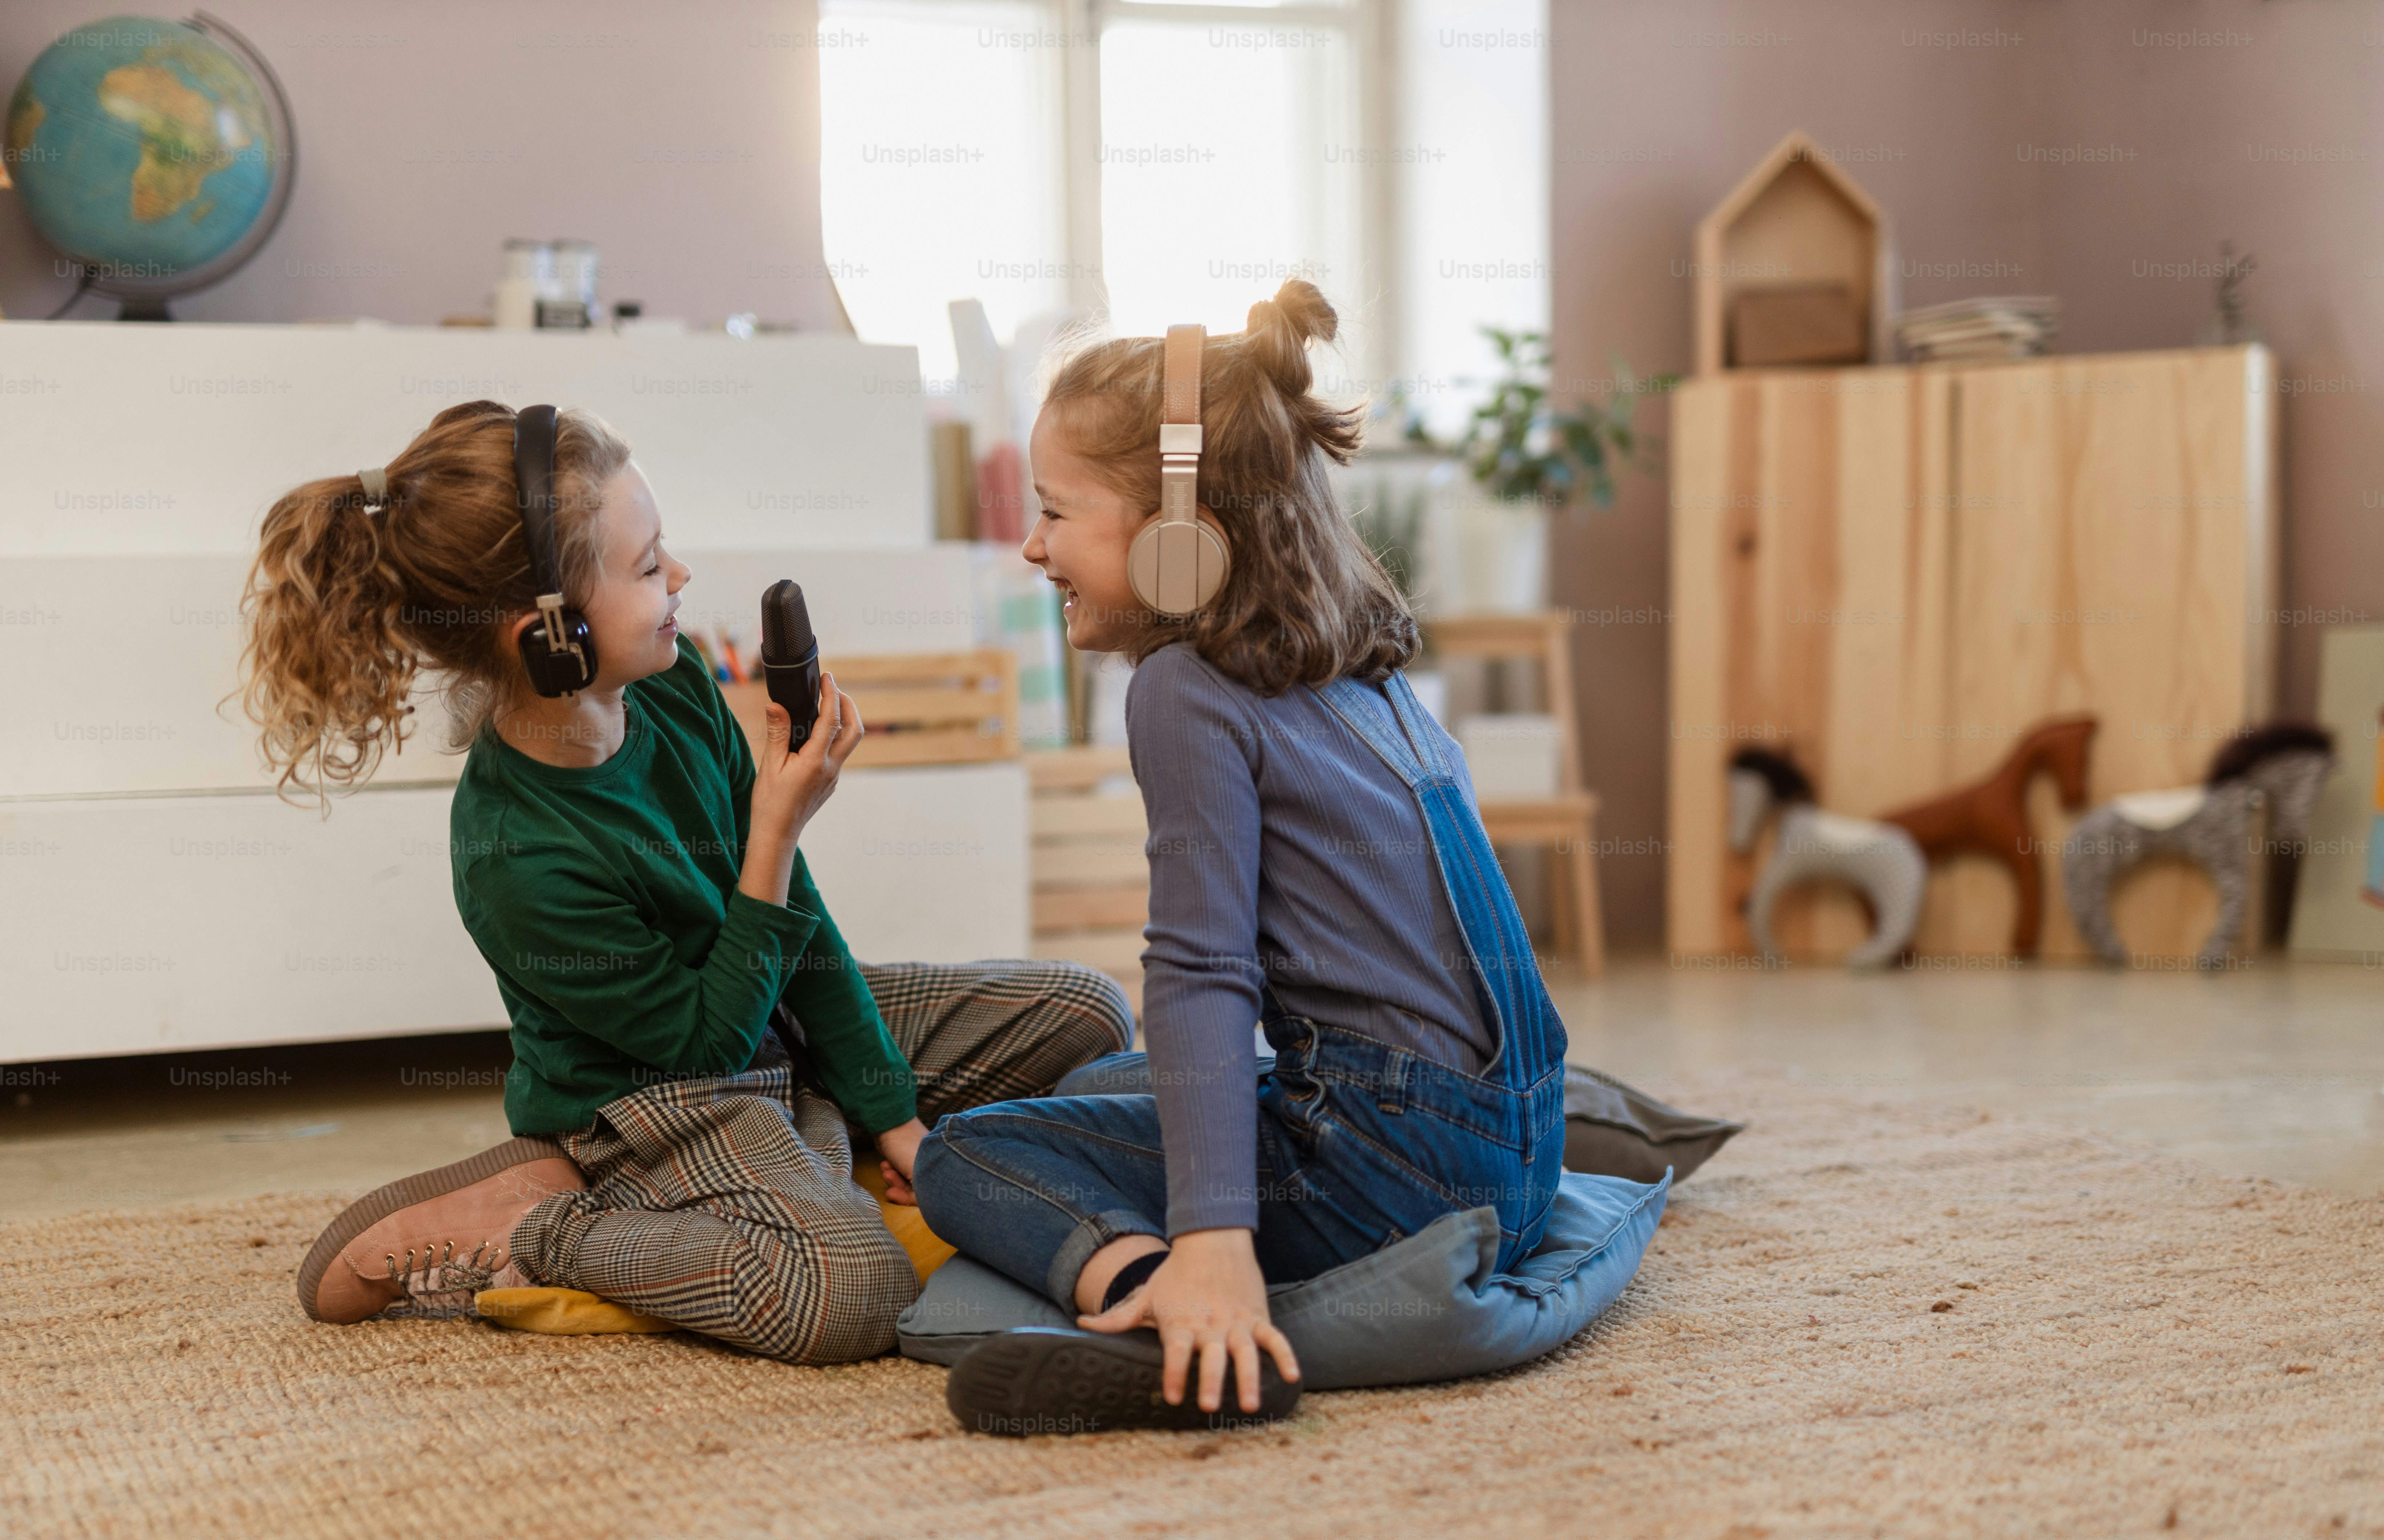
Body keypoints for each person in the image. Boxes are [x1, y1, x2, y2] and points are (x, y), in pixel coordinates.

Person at [242, 400, 1131, 1363]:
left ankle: (820, 1140)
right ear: (545, 634)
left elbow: (806, 928)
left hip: (765, 1014)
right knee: (849, 1289)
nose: (682, 576)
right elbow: (708, 1045)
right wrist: (776, 831)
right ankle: (543, 1224)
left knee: (1085, 1010)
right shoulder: (516, 855)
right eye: (646, 564)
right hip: (655, 1100)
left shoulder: (671, 685)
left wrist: (895, 1116)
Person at [912, 281, 1570, 1431]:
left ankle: (1173, 1307)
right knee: (1102, 1082)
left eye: (1057, 512)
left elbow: (1204, 970)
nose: (1031, 545)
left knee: (968, 1157)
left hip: (1393, 1171)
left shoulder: (1186, 688)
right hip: (1512, 1148)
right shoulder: (1366, 676)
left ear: (1177, 533)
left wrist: (1214, 1232)